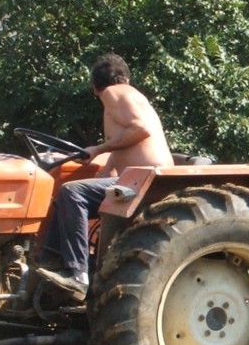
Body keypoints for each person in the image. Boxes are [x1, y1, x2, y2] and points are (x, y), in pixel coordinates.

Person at [32, 54, 173, 302]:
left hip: (144, 180)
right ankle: (48, 261)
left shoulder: (114, 93)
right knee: (67, 194)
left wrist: (97, 149)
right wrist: (101, 172)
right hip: (136, 178)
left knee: (71, 192)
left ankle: (77, 275)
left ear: (95, 89)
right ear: (126, 77)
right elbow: (117, 156)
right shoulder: (133, 98)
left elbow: (141, 130)